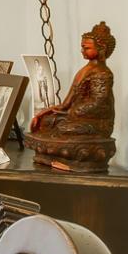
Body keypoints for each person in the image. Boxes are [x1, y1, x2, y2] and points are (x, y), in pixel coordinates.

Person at [27, 21, 117, 171]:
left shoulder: (102, 73)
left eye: (86, 48)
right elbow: (67, 103)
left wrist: (72, 113)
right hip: (76, 116)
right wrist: (47, 112)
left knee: (63, 129)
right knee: (46, 123)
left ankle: (76, 162)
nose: (82, 50)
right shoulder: (86, 69)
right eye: (82, 46)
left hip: (97, 123)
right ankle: (54, 154)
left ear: (102, 48)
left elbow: (97, 103)